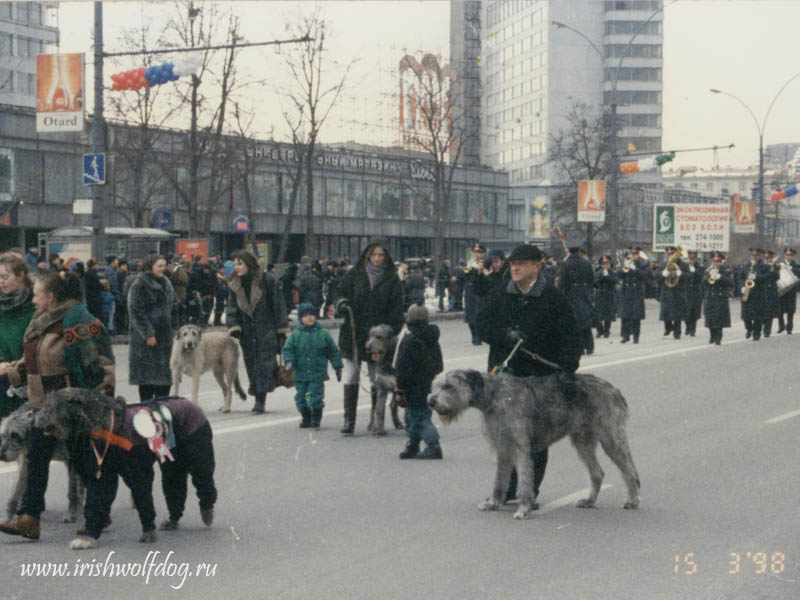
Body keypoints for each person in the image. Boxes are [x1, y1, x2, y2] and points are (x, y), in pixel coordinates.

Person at [0, 272, 114, 540]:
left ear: (50, 297)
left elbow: (100, 367)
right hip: (44, 408)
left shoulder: (77, 323)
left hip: (73, 411)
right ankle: (30, 518)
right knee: (36, 459)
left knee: (83, 463)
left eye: (37, 294)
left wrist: (95, 407)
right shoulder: (43, 322)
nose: (33, 299)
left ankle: (98, 514)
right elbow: (36, 361)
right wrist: (12, 372)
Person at [476, 244, 582, 509]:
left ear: (537, 266)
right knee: (505, 434)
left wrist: (568, 370)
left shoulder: (553, 297)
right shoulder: (502, 293)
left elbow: (572, 336)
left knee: (535, 436)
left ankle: (529, 489)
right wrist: (505, 334)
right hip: (506, 376)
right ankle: (509, 488)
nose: (515, 268)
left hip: (540, 377)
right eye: (513, 264)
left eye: (521, 264)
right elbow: (481, 323)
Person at [334, 237, 404, 435]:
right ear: (367, 255)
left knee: (377, 379)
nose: (377, 258)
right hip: (353, 333)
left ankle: (376, 419)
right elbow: (339, 293)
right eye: (373, 254)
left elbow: (397, 310)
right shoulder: (355, 274)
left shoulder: (391, 279)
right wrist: (342, 304)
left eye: (381, 255)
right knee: (351, 374)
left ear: (386, 257)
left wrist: (389, 334)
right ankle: (349, 420)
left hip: (379, 338)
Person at [227, 250, 289, 414]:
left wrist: (281, 330)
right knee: (252, 366)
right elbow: (232, 307)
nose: (236, 267)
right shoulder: (235, 283)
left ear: (249, 264)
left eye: (240, 263)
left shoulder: (267, 280)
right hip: (247, 333)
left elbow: (279, 306)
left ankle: (260, 401)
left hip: (266, 330)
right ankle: (259, 395)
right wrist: (234, 326)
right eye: (235, 264)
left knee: (264, 365)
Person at [155, 397, 217, 531]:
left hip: (196, 428)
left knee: (202, 471)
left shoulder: (161, 419)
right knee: (170, 474)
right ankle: (174, 517)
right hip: (167, 430)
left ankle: (207, 504)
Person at [282, 302, 343, 430]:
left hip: (316, 374)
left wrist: (337, 367)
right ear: (300, 318)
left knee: (313, 396)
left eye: (311, 314)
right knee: (301, 398)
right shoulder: (295, 335)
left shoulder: (323, 333)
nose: (309, 317)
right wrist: (289, 361)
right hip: (301, 374)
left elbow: (333, 351)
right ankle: (306, 417)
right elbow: (288, 350)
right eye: (305, 315)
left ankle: (316, 417)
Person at [127, 254, 179, 402]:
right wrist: (148, 334)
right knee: (147, 378)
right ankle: (147, 407)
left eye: (164, 265)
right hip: (146, 340)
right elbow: (136, 312)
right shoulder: (139, 285)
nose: (163, 269)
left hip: (165, 335)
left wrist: (177, 328)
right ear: (150, 267)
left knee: (164, 376)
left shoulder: (166, 282)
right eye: (159, 266)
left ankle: (162, 406)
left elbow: (174, 305)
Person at [395, 305, 444, 459]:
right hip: (429, 383)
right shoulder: (433, 338)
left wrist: (400, 388)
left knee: (419, 416)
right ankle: (413, 444)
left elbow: (401, 367)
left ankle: (433, 444)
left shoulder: (409, 340)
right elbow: (439, 365)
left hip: (412, 386)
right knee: (418, 414)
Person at [0, 252, 36, 419]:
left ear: (21, 276)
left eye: (5, 276)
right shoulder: (2, 307)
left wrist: (15, 367)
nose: (1, 281)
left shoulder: (36, 306)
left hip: (28, 383)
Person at [558, 238, 595, 356]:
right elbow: (591, 280)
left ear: (569, 250)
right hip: (584, 294)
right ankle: (589, 346)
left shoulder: (566, 263)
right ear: (579, 250)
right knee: (585, 320)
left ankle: (579, 347)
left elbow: (562, 283)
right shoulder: (586, 263)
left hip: (571, 295)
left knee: (574, 322)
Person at [617, 248, 647, 343]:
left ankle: (635, 336)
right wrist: (625, 267)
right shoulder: (627, 263)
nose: (632, 256)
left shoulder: (642, 264)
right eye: (631, 253)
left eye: (634, 254)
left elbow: (645, 276)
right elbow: (619, 275)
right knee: (625, 315)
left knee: (636, 316)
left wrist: (635, 269)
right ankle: (625, 336)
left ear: (638, 255)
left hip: (637, 292)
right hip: (626, 292)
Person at [657, 246, 687, 339]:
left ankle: (677, 332)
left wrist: (681, 274)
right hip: (666, 291)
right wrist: (662, 274)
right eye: (668, 251)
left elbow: (689, 278)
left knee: (677, 314)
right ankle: (668, 327)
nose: (670, 253)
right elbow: (657, 278)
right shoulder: (663, 264)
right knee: (666, 313)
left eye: (673, 252)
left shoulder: (683, 265)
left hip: (678, 292)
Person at [702, 251, 732, 345]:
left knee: (719, 319)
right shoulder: (708, 270)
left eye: (718, 261)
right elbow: (703, 283)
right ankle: (712, 335)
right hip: (710, 297)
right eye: (714, 261)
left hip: (720, 297)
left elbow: (731, 283)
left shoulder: (726, 270)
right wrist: (708, 277)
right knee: (710, 318)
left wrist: (720, 277)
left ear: (721, 261)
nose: (716, 263)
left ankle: (718, 337)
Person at [740, 248, 768, 341]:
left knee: (757, 316)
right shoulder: (746, 265)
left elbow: (766, 278)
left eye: (756, 255)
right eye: (752, 255)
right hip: (747, 294)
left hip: (758, 294)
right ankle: (749, 328)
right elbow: (740, 277)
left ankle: (757, 333)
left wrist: (756, 277)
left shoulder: (764, 266)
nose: (754, 257)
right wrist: (741, 287)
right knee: (745, 316)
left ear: (759, 256)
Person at [464, 244, 487, 345]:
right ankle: (473, 335)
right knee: (470, 315)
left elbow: (485, 278)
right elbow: (465, 275)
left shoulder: (485, 264)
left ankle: (478, 336)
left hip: (480, 292)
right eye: (475, 252)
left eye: (479, 252)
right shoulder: (470, 263)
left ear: (483, 253)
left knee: (479, 314)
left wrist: (480, 270)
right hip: (470, 292)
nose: (476, 254)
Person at [593, 255, 617, 339]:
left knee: (608, 314)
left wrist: (607, 277)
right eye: (603, 264)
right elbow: (594, 283)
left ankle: (607, 330)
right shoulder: (597, 272)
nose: (606, 265)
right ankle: (600, 330)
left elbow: (614, 282)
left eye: (607, 263)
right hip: (600, 295)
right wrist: (601, 277)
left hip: (609, 294)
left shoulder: (612, 272)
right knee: (598, 314)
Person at [777, 247, 800, 334]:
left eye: (791, 255)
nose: (789, 256)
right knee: (779, 309)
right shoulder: (780, 264)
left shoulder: (796, 265)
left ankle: (789, 327)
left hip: (791, 290)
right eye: (787, 255)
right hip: (782, 289)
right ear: (785, 255)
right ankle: (781, 326)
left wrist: (791, 269)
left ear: (793, 256)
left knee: (790, 310)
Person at [682, 251, 704, 337]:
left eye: (693, 259)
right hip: (686, 291)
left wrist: (693, 272)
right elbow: (682, 276)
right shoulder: (684, 266)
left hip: (696, 292)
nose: (691, 261)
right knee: (686, 311)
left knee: (694, 312)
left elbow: (700, 277)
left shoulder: (700, 267)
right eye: (690, 259)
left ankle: (692, 330)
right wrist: (690, 273)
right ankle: (687, 326)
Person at [761, 250, 781, 338]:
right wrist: (768, 267)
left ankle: (767, 330)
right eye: (766, 258)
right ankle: (763, 326)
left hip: (771, 291)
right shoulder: (762, 266)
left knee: (770, 312)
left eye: (769, 258)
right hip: (762, 291)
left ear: (771, 258)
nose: (767, 259)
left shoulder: (775, 267)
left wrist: (771, 267)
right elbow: (760, 276)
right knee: (762, 310)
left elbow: (777, 276)